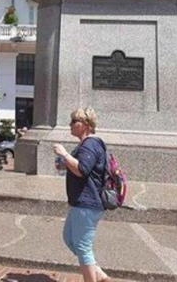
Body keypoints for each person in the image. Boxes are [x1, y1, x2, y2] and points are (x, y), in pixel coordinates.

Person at [53, 107, 110, 282]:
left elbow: (82, 170)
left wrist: (64, 153)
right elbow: (80, 166)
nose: (70, 125)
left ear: (85, 125)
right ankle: (98, 274)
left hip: (87, 203)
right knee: (70, 239)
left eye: (73, 121)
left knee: (83, 247)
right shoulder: (86, 145)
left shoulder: (91, 144)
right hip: (80, 203)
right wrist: (64, 163)